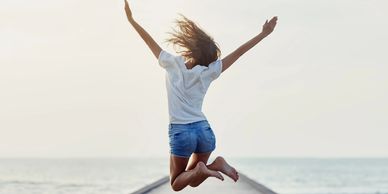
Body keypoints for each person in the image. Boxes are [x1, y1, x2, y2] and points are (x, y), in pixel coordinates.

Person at [124, 0, 278, 191]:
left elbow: (148, 41)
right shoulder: (209, 72)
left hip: (181, 131)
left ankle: (205, 169)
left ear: (191, 47)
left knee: (176, 184)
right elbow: (238, 53)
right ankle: (215, 165)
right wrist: (263, 34)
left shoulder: (172, 63)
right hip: (204, 131)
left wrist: (132, 20)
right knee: (194, 178)